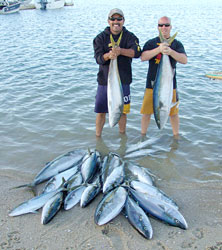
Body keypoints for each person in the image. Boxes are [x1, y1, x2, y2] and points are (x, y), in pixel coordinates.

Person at [93, 8, 141, 137]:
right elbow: (98, 59)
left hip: (123, 80)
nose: (116, 21)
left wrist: (120, 51)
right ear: (108, 21)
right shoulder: (100, 38)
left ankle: (122, 137)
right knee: (101, 112)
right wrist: (108, 56)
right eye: (113, 19)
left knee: (122, 112)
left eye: (119, 19)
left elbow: (136, 53)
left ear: (123, 21)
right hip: (104, 81)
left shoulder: (130, 37)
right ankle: (98, 138)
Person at [140, 16, 187, 136]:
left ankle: (176, 137)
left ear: (170, 27)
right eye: (161, 25)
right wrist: (159, 50)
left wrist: (170, 52)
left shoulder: (176, 44)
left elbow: (184, 60)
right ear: (158, 27)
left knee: (174, 113)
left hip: (170, 86)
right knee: (146, 112)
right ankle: (143, 136)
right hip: (151, 85)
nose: (164, 27)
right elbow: (143, 57)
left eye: (166, 25)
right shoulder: (151, 43)